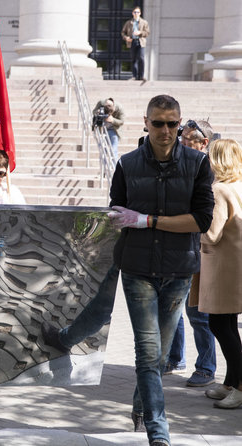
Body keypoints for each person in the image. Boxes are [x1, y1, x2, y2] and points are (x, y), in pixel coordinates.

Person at [107, 94, 214, 446]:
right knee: (148, 351)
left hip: (179, 268)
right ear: (145, 122)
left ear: (179, 125)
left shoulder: (199, 163)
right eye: (159, 123)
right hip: (137, 268)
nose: (166, 130)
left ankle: (140, 403)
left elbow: (201, 219)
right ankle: (158, 432)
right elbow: (116, 211)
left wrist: (148, 220)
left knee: (161, 354)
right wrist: (127, 220)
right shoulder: (126, 163)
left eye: (172, 124)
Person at [164, 119, 217, 388]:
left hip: (202, 250)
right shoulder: (179, 164)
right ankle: (174, 359)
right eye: (181, 138)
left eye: (188, 139)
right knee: (172, 306)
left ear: (204, 143)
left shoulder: (211, 171)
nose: (182, 143)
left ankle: (207, 368)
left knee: (197, 314)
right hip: (178, 247)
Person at [191, 138, 242, 409]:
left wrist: (191, 223)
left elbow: (211, 234)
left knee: (220, 325)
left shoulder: (220, 190)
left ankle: (240, 385)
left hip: (223, 267)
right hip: (234, 266)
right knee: (227, 324)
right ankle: (231, 382)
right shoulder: (238, 185)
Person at [122, 6, 150, 81]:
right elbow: (123, 32)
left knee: (141, 58)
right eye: (135, 12)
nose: (136, 13)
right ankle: (134, 76)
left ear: (140, 13)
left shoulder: (144, 22)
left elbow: (147, 33)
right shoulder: (129, 23)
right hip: (132, 42)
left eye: (137, 12)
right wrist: (126, 38)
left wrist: (140, 32)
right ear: (132, 13)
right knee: (134, 59)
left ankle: (141, 76)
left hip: (141, 42)